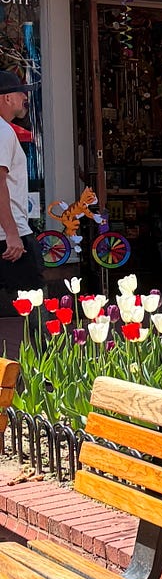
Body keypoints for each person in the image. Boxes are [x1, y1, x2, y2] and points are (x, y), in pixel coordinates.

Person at [0, 69, 41, 362]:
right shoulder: (2, 131)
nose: (25, 97)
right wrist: (12, 233)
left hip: (8, 231)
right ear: (6, 98)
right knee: (34, 305)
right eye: (20, 92)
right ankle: (47, 376)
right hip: (9, 236)